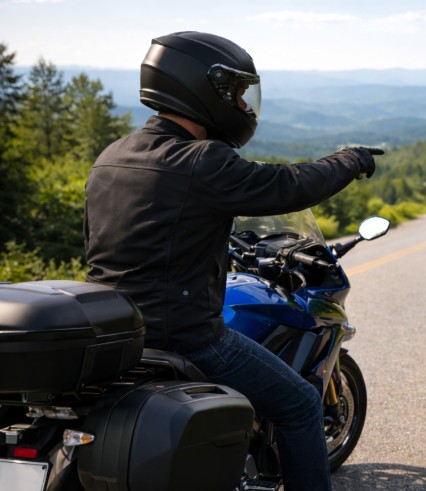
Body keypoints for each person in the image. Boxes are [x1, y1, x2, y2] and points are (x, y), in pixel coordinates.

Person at [83, 31, 382, 491]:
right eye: (238, 95)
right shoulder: (201, 160)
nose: (244, 107)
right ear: (203, 90)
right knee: (301, 403)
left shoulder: (111, 157)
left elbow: (135, 239)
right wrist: (349, 159)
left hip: (116, 333)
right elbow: (289, 185)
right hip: (185, 335)